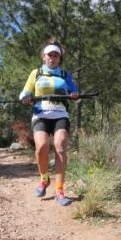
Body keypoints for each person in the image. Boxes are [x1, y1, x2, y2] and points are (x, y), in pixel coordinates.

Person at [20, 39, 79, 206]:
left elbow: (74, 92)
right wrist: (25, 98)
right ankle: (44, 179)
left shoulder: (65, 75)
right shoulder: (36, 73)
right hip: (40, 114)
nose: (52, 58)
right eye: (49, 55)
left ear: (59, 58)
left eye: (56, 55)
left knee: (60, 145)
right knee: (42, 147)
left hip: (61, 114)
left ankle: (60, 190)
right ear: (43, 57)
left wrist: (74, 95)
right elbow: (24, 92)